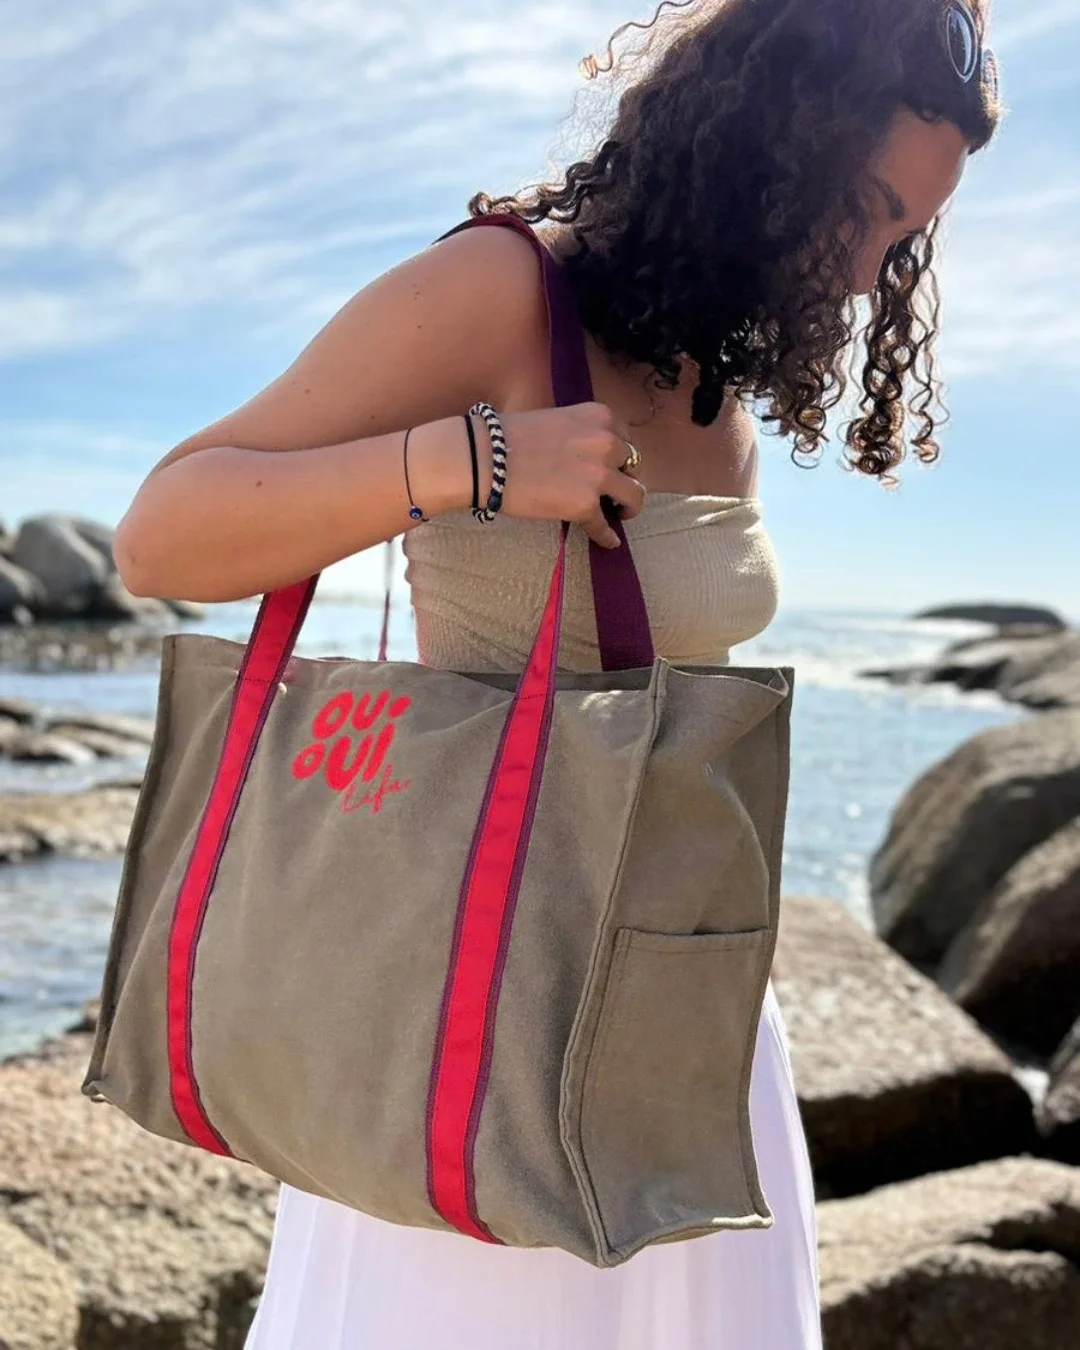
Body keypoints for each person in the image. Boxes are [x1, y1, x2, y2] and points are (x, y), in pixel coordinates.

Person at [113, 0, 1000, 1345]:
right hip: (476, 1019)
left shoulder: (718, 384)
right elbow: (161, 528)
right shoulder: (502, 292)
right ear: (772, 135)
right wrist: (467, 464)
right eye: (865, 206)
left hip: (680, 1030)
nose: (875, 270)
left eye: (907, 235)